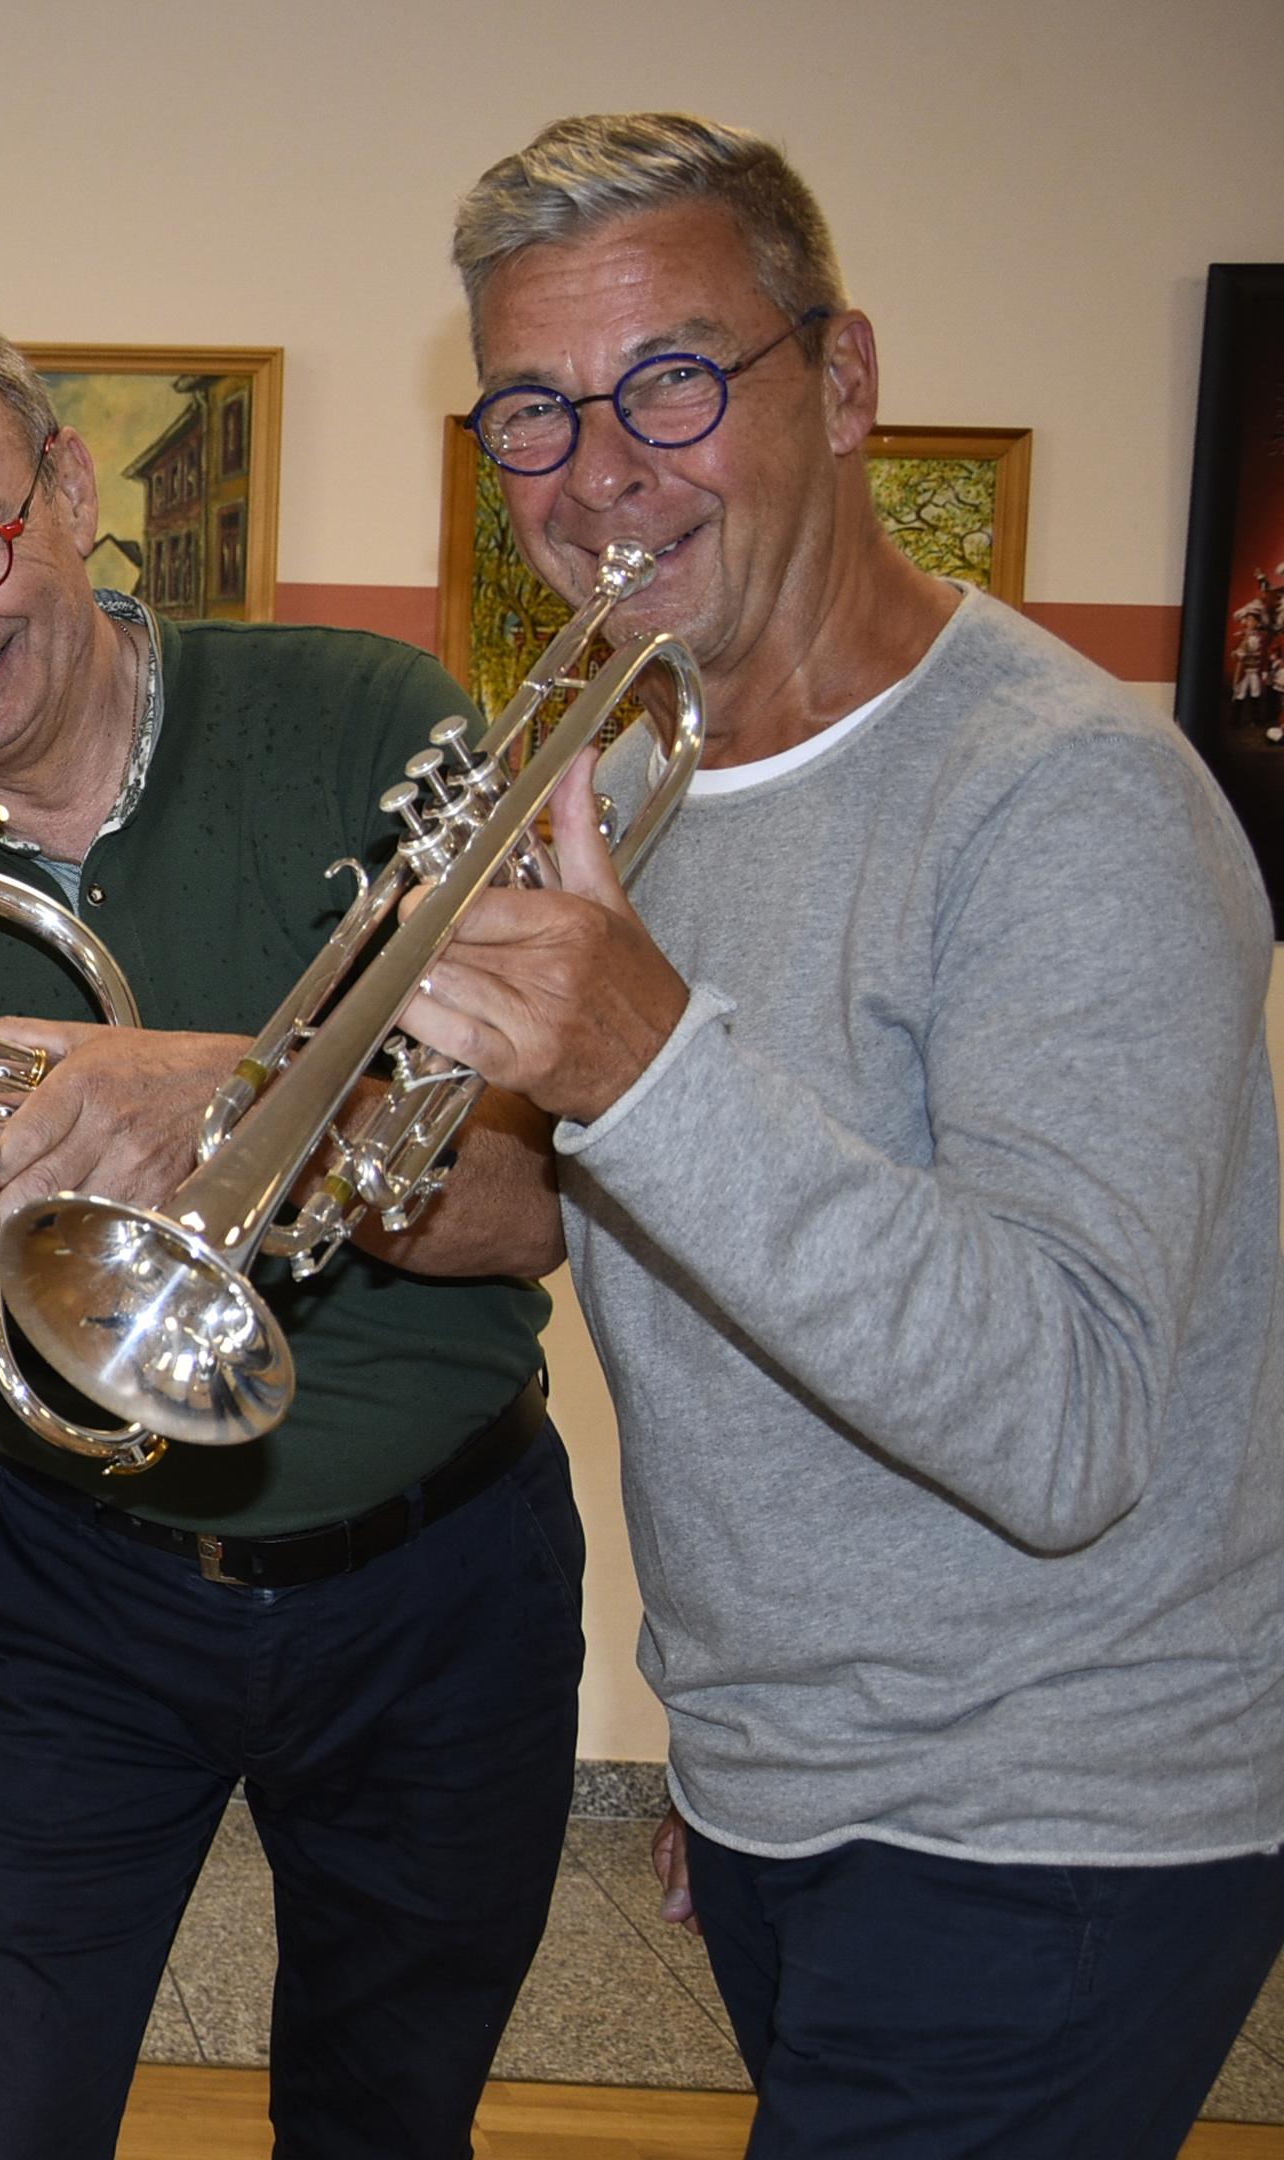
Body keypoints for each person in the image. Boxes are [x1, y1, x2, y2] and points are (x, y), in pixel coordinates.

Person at [402, 112, 1284, 2159]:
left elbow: (1066, 1421)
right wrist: (313, 1164)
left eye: (675, 381)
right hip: (810, 1788)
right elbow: (635, 1227)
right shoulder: (631, 776)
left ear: (849, 380)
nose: (604, 468)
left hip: (1062, 1816)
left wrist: (643, 1059)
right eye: (533, 411)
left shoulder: (1071, 803)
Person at [0, 310, 583, 2158]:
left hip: (437, 1586)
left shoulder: (364, 724)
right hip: (64, 1585)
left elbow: (520, 1215)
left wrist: (208, 1089)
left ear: (71, 492)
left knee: (387, 2119)